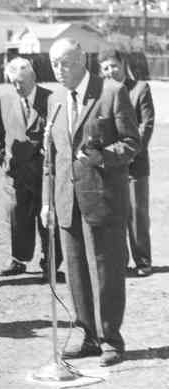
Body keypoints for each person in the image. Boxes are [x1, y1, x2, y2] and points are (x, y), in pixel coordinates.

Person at [42, 38, 139, 366]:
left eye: (66, 63)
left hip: (103, 200)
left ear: (82, 60)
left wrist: (103, 156)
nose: (59, 70)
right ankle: (87, 336)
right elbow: (52, 158)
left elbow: (131, 143)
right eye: (54, 64)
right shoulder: (54, 99)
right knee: (75, 273)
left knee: (105, 272)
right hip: (66, 201)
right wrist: (47, 202)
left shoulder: (112, 92)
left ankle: (111, 339)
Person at [0, 57, 63, 280]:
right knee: (17, 219)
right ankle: (18, 260)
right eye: (13, 82)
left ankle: (50, 263)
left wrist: (51, 162)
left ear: (33, 77)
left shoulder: (51, 99)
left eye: (20, 82)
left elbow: (60, 136)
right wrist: (5, 162)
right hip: (16, 176)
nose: (17, 86)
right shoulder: (4, 100)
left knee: (48, 220)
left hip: (44, 175)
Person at [98, 48, 155, 277]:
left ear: (123, 64)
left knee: (137, 213)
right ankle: (119, 262)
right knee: (114, 214)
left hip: (135, 165)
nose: (110, 71)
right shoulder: (101, 91)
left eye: (114, 65)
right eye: (105, 67)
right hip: (110, 165)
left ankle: (143, 261)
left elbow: (146, 125)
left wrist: (128, 154)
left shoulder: (140, 88)